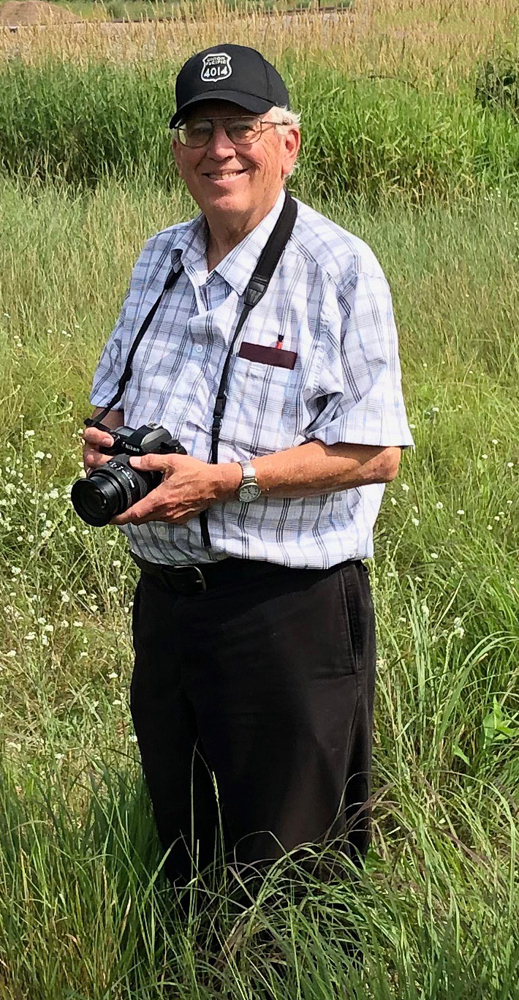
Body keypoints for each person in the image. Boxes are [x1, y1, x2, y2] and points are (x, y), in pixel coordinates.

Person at [83, 44, 414, 888]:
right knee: (184, 842)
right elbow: (110, 401)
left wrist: (228, 481)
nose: (219, 149)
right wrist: (109, 443)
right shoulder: (159, 258)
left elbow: (375, 450)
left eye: (241, 128)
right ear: (175, 149)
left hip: (286, 611)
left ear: (287, 143)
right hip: (167, 606)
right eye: (199, 129)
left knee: (291, 867)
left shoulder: (340, 268)